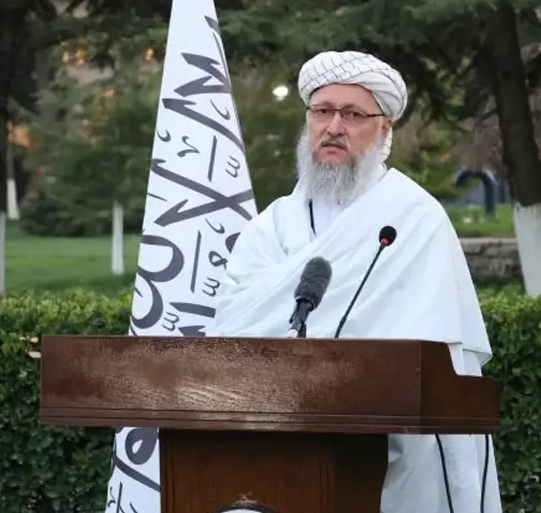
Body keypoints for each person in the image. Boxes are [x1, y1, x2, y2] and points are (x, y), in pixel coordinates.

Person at [205, 50, 502, 513]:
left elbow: (433, 349)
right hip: (280, 432)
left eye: (353, 114)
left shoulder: (414, 217)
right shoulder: (272, 225)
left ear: (384, 130)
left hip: (395, 438)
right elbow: (231, 330)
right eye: (322, 111)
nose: (333, 126)